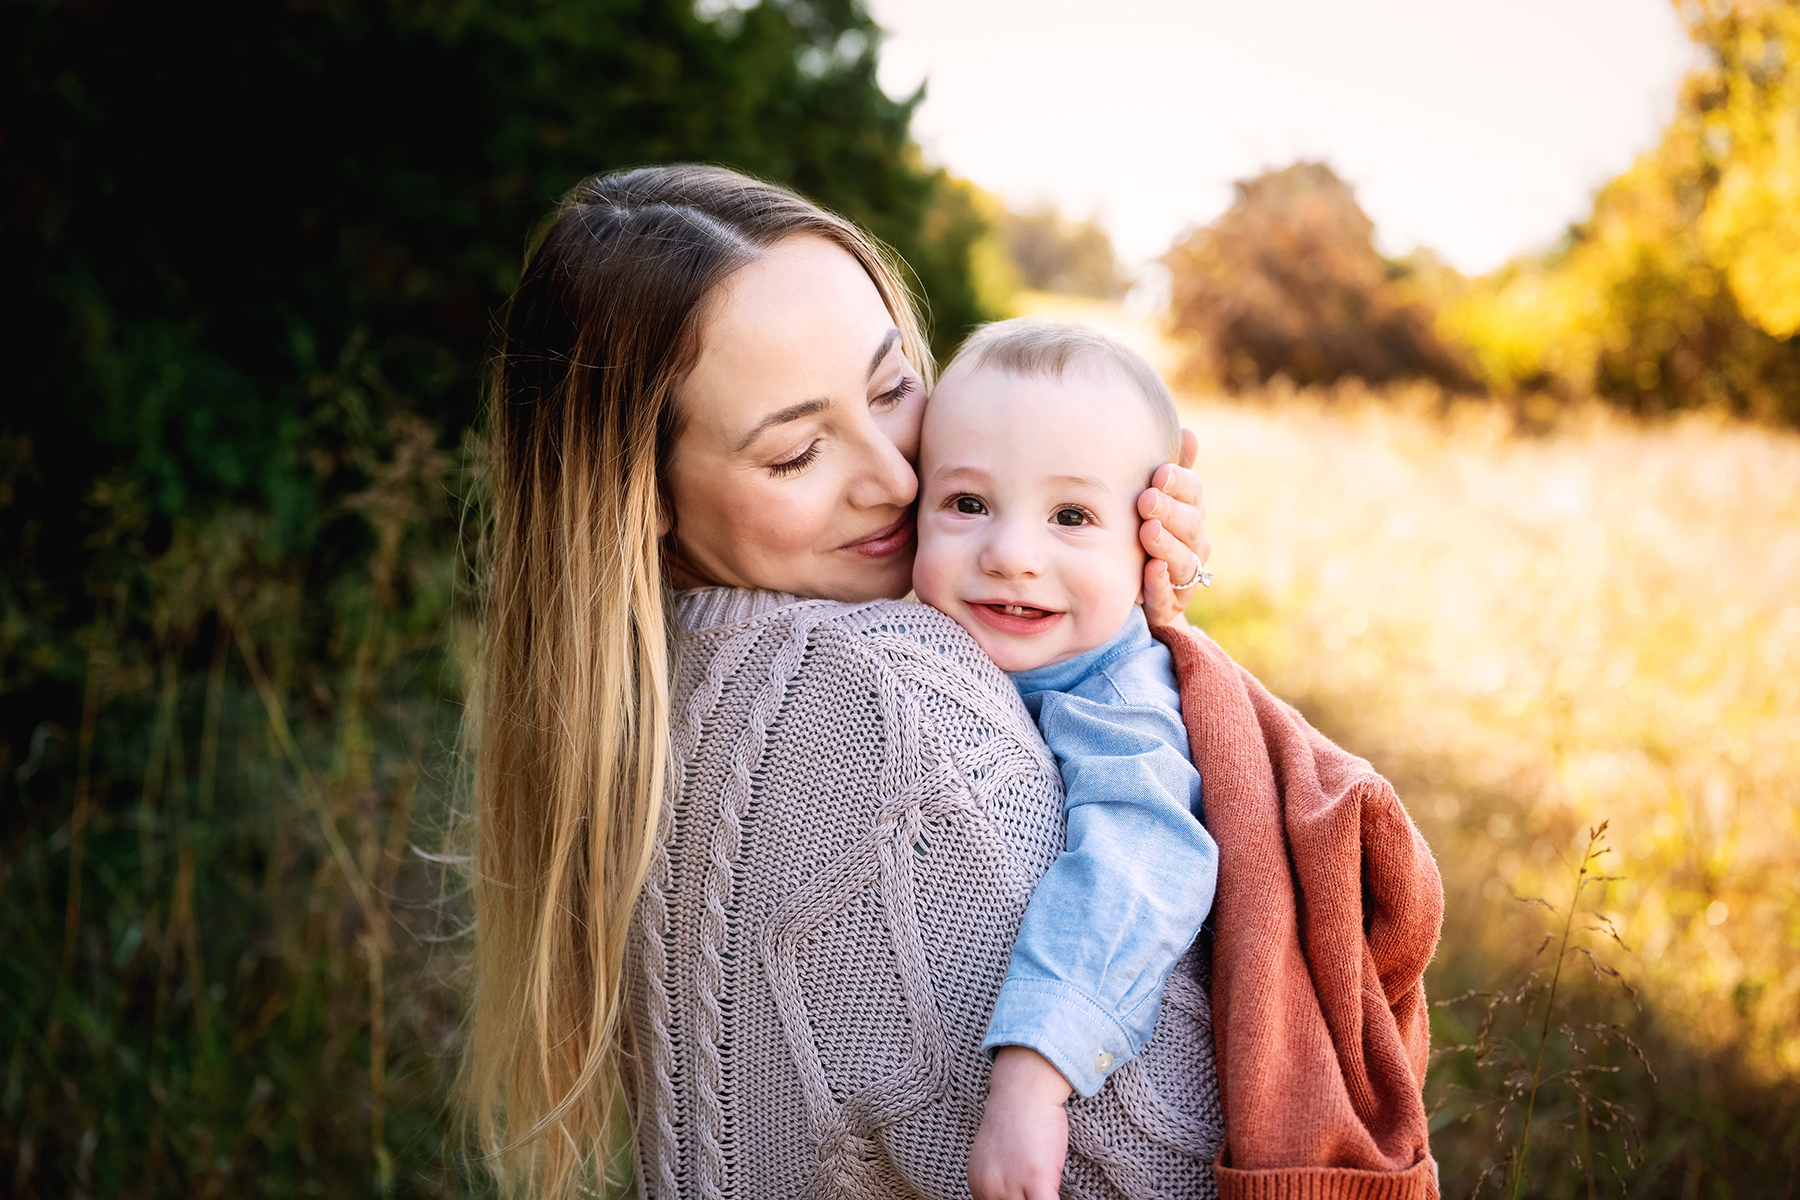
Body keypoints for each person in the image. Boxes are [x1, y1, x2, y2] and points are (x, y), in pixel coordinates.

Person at [464, 163, 1443, 1200]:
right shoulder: (886, 702)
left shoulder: (652, 691)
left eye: (891, 389)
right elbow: (1172, 1164)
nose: (894, 477)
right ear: (640, 491)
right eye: (797, 452)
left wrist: (1123, 612)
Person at [910, 320, 1220, 1199]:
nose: (1011, 553)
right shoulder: (930, 632)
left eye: (1072, 516)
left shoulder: (1116, 698)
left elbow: (1142, 861)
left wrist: (1032, 1080)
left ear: (1149, 545)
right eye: (967, 504)